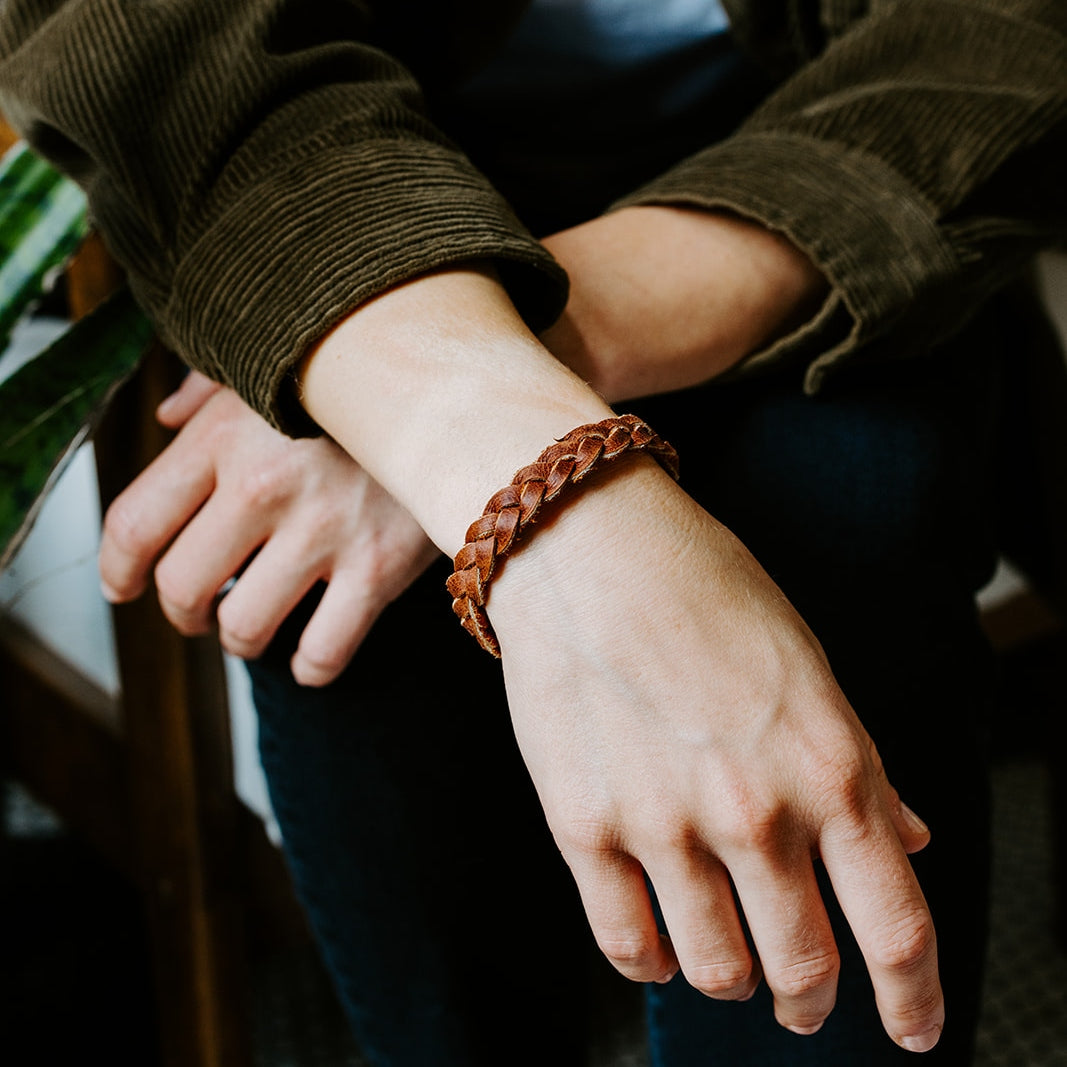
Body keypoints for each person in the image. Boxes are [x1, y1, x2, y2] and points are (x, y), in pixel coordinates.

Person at [2, 1, 1064, 1063]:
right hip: (365, 165)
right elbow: (156, 51)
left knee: (862, 490)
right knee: (339, 606)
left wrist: (449, 390)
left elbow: (999, 43)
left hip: (827, 161)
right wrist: (478, 428)